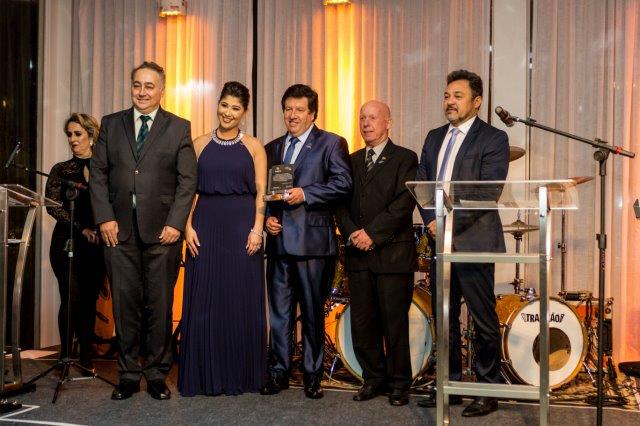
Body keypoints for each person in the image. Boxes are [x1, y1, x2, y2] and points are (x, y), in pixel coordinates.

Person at [90, 61, 197, 401]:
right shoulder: (111, 124)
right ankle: (127, 374)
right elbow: (98, 173)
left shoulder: (178, 127)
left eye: (150, 86)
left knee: (159, 306)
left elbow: (188, 181)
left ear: (162, 90)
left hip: (163, 234)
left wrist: (175, 223)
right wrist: (104, 218)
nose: (142, 91)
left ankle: (155, 374)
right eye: (137, 84)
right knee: (124, 307)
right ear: (131, 86)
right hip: (117, 232)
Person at [415, 70, 509, 416]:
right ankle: (449, 384)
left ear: (477, 101)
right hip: (439, 240)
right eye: (446, 95)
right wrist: (431, 219)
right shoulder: (434, 136)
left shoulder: (493, 138)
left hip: (474, 239)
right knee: (444, 317)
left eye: (457, 96)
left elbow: (488, 191)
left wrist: (448, 221)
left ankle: (487, 389)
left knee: (482, 318)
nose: (450, 102)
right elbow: (422, 183)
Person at [261, 84, 352, 399]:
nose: (292, 115)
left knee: (312, 313)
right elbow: (266, 193)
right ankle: (279, 372)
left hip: (313, 244)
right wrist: (267, 219)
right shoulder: (272, 148)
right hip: (278, 245)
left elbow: (343, 183)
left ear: (313, 113)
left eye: (299, 110)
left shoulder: (331, 143)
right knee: (279, 314)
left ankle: (313, 375)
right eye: (288, 109)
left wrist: (307, 193)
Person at [178, 81, 267, 396]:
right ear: (217, 104)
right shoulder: (199, 143)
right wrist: (186, 227)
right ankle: (203, 376)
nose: (228, 112)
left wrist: (257, 229)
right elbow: (187, 191)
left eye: (235, 108)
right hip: (205, 226)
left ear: (245, 112)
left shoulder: (254, 146)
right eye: (224, 105)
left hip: (242, 228)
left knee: (239, 299)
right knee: (205, 300)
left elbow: (261, 192)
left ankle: (240, 376)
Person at [335, 101, 418, 406]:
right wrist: (352, 233)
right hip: (358, 255)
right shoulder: (351, 160)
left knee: (394, 325)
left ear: (388, 122)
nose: (366, 123)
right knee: (363, 324)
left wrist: (372, 234)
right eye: (362, 118)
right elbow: (339, 203)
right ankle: (373, 379)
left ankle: (399, 383)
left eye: (372, 118)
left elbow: (403, 203)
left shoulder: (406, 158)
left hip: (392, 256)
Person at [46, 113, 106, 374]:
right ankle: (65, 356)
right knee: (70, 298)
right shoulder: (61, 170)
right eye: (69, 134)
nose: (72, 139)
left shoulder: (105, 169)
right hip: (67, 242)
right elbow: (53, 206)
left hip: (97, 245)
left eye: (77, 133)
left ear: (91, 136)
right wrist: (82, 229)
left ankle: (85, 357)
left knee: (89, 301)